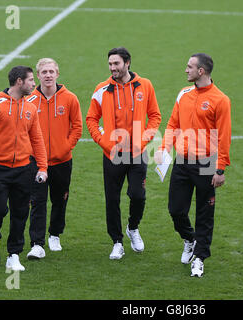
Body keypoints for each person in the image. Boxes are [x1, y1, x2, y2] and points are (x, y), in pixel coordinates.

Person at [155, 53, 232, 277]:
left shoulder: (220, 100)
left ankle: (199, 257)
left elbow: (224, 137)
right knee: (176, 209)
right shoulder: (184, 93)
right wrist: (163, 148)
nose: (185, 70)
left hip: (207, 162)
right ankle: (190, 239)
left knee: (204, 213)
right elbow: (173, 123)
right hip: (182, 161)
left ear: (201, 71)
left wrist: (220, 169)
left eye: (189, 67)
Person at [86, 47, 161, 260]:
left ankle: (133, 227)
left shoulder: (145, 86)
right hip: (112, 154)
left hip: (138, 153)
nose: (112, 68)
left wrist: (144, 140)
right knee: (112, 199)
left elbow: (155, 116)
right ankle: (117, 241)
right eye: (110, 64)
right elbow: (91, 118)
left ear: (127, 63)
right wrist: (103, 142)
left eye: (116, 64)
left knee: (138, 195)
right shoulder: (102, 89)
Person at [0, 66, 48, 271]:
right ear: (19, 81)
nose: (34, 84)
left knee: (20, 212)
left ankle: (13, 254)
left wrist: (42, 167)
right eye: (31, 80)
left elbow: (37, 139)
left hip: (24, 169)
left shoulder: (31, 108)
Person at [26, 58, 83, 259]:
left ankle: (55, 234)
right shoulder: (29, 99)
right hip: (36, 162)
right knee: (37, 201)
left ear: (57, 73)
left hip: (62, 161)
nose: (48, 75)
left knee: (59, 200)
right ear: (38, 75)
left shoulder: (70, 99)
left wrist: (65, 147)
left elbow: (77, 127)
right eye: (44, 72)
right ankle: (37, 243)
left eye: (51, 71)